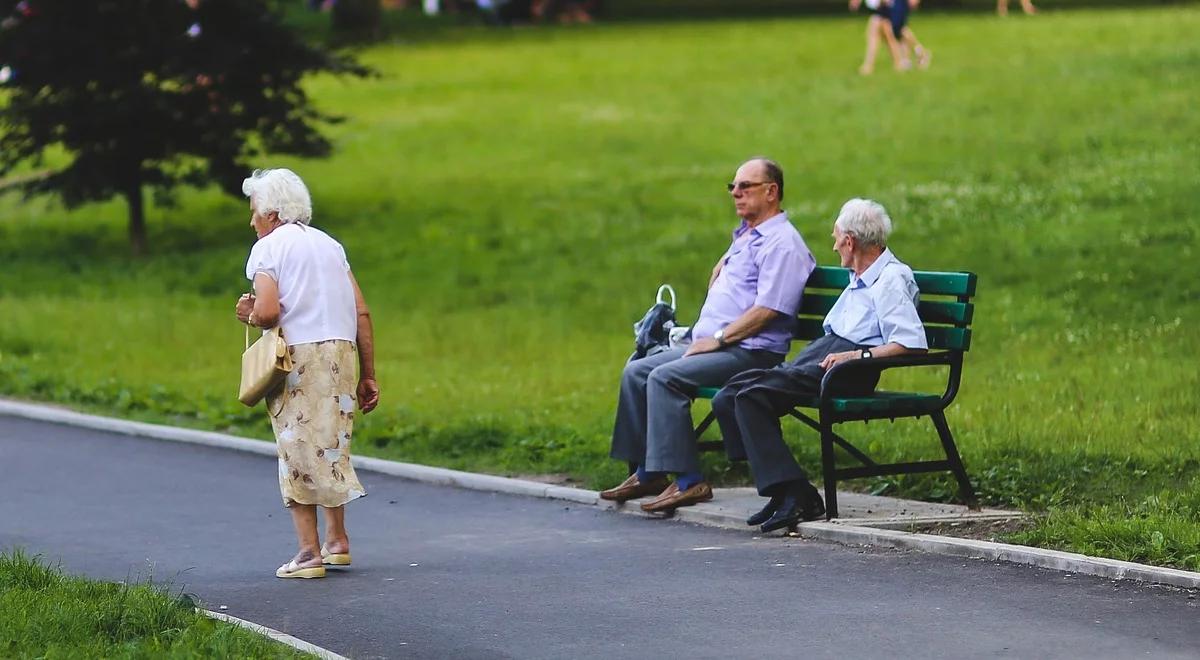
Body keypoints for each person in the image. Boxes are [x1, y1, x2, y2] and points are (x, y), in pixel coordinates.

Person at [600, 158, 815, 513]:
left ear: (771, 191)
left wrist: (718, 339)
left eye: (745, 186)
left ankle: (688, 481)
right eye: (732, 186)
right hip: (719, 344)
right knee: (637, 370)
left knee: (664, 378)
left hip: (749, 351)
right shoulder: (748, 236)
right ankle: (649, 471)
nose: (735, 193)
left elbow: (769, 311)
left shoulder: (783, 244)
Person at [711, 199, 927, 533]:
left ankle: (797, 494)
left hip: (849, 369)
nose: (834, 244)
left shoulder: (890, 279)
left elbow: (910, 343)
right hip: (827, 356)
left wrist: (857, 357)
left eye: (836, 238)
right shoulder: (860, 276)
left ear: (850, 242)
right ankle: (782, 488)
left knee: (752, 396)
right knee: (730, 393)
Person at [234, 168, 380, 579]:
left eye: (254, 212)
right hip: (341, 354)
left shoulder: (268, 249)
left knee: (296, 448)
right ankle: (337, 543)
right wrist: (369, 374)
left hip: (300, 358)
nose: (251, 222)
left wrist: (249, 313)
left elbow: (267, 311)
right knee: (330, 444)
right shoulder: (331, 246)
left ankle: (308, 553)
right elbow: (362, 312)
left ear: (272, 212)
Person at [850, 0, 930, 74]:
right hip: (883, 5)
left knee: (896, 30)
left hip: (895, 4)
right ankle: (902, 61)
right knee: (884, 30)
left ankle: (912, 56)